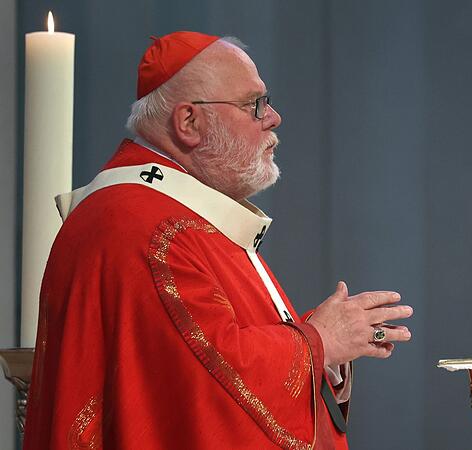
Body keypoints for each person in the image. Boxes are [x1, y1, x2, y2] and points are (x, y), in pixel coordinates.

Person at [23, 31, 413, 450]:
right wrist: (319, 342)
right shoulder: (149, 230)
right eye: (254, 104)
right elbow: (206, 389)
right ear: (189, 122)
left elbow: (202, 356)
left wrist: (324, 344)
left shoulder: (171, 212)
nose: (273, 117)